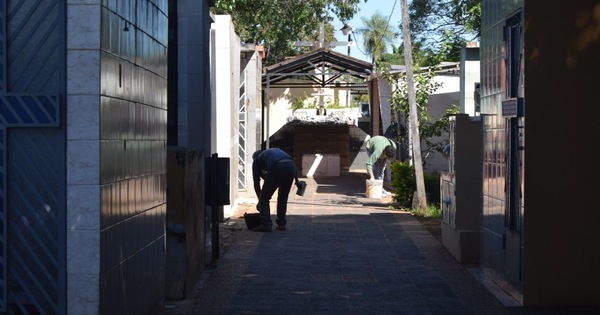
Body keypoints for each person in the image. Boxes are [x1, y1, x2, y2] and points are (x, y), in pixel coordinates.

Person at [251, 148, 298, 232]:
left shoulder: (257, 160)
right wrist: (297, 181)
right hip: (291, 166)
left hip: (278, 166)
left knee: (265, 197)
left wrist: (260, 200)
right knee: (283, 197)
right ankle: (281, 223)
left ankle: (266, 224)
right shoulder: (270, 153)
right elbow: (291, 162)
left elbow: (256, 182)